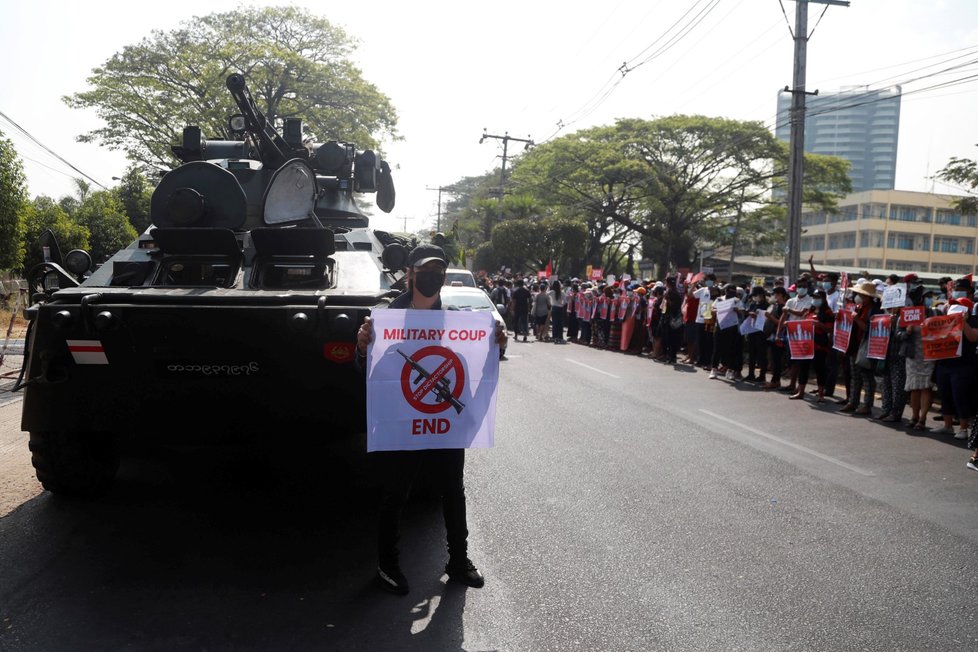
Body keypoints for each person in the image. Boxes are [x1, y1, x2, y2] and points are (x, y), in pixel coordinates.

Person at [355, 244, 507, 595]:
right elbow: (367, 373)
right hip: (400, 422)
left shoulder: (457, 320)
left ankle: (458, 560)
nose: (431, 277)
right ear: (409, 274)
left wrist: (495, 343)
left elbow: (469, 366)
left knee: (453, 491)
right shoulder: (383, 318)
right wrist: (363, 347)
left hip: (443, 421)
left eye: (438, 271)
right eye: (424, 270)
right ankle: (387, 564)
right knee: (396, 493)